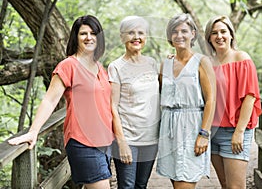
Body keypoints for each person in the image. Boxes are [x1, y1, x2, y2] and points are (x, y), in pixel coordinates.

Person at [8, 15, 115, 189]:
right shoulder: (68, 65)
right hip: (83, 142)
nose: (89, 37)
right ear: (76, 37)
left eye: (93, 33)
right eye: (83, 33)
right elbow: (50, 100)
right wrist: (33, 131)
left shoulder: (99, 67)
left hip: (104, 142)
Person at [156, 13, 216, 189]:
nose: (179, 35)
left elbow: (211, 99)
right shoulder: (164, 64)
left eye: (184, 31)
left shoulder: (202, 62)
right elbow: (161, 95)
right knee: (176, 182)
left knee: (184, 183)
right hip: (168, 128)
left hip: (191, 126)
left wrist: (204, 134)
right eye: (174, 31)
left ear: (193, 34)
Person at [204, 15, 262, 188]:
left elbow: (250, 97)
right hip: (213, 132)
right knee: (224, 184)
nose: (219, 36)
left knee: (235, 187)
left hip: (235, 131)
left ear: (231, 34)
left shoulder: (241, 58)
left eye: (223, 31)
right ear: (209, 38)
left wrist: (239, 132)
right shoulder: (207, 63)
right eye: (214, 33)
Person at [108, 16, 160, 189]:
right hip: (128, 138)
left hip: (151, 139)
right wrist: (121, 142)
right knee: (127, 186)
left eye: (140, 33)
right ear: (122, 37)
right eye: (131, 32)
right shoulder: (115, 67)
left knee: (141, 185)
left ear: (146, 37)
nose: (136, 37)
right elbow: (112, 107)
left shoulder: (153, 63)